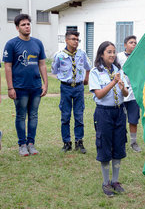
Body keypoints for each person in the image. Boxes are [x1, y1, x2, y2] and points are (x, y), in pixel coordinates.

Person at [2, 14, 48, 156]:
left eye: (28, 24)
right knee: (21, 116)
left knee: (33, 115)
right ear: (17, 28)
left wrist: (45, 84)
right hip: (19, 87)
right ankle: (22, 145)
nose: (27, 26)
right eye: (23, 25)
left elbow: (42, 64)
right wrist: (10, 88)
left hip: (35, 87)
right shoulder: (11, 44)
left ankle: (31, 144)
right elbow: (8, 67)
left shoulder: (38, 43)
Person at [89, 41, 129, 197]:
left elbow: (125, 94)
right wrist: (113, 82)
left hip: (119, 112)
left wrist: (122, 86)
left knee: (118, 145)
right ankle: (105, 182)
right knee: (105, 146)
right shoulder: (95, 72)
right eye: (109, 52)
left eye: (114, 52)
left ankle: (115, 180)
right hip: (104, 113)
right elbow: (98, 94)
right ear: (101, 54)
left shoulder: (119, 70)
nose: (112, 55)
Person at [52, 31, 91, 154]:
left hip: (79, 87)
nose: (76, 42)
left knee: (79, 115)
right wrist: (63, 77)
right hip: (66, 87)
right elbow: (54, 69)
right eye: (73, 39)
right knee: (65, 115)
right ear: (67, 40)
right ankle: (66, 142)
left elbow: (88, 67)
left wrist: (86, 78)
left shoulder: (82, 53)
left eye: (77, 40)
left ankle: (79, 142)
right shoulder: (59, 55)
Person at [117, 35, 141, 152]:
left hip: (134, 93)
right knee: (120, 118)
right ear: (125, 45)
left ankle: (133, 142)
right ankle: (121, 141)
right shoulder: (119, 57)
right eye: (131, 42)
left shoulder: (139, 57)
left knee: (133, 119)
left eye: (135, 43)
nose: (133, 44)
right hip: (121, 91)